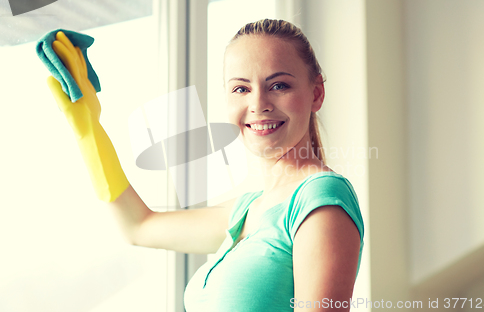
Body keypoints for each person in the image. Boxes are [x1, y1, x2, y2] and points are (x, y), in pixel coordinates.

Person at [47, 19, 364, 311]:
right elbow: (139, 226)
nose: (258, 105)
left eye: (278, 85)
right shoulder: (247, 210)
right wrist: (88, 127)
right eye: (241, 89)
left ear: (316, 93)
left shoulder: (321, 200)